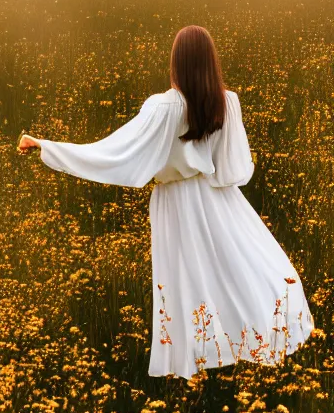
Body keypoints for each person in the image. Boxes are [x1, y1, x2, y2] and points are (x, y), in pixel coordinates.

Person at [17, 25, 314, 380]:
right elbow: (233, 171)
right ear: (210, 62)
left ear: (176, 62)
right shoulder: (226, 101)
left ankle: (192, 360)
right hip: (218, 197)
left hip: (175, 200)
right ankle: (243, 340)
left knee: (184, 276)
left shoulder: (164, 107)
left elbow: (115, 152)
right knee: (237, 266)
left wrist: (49, 147)